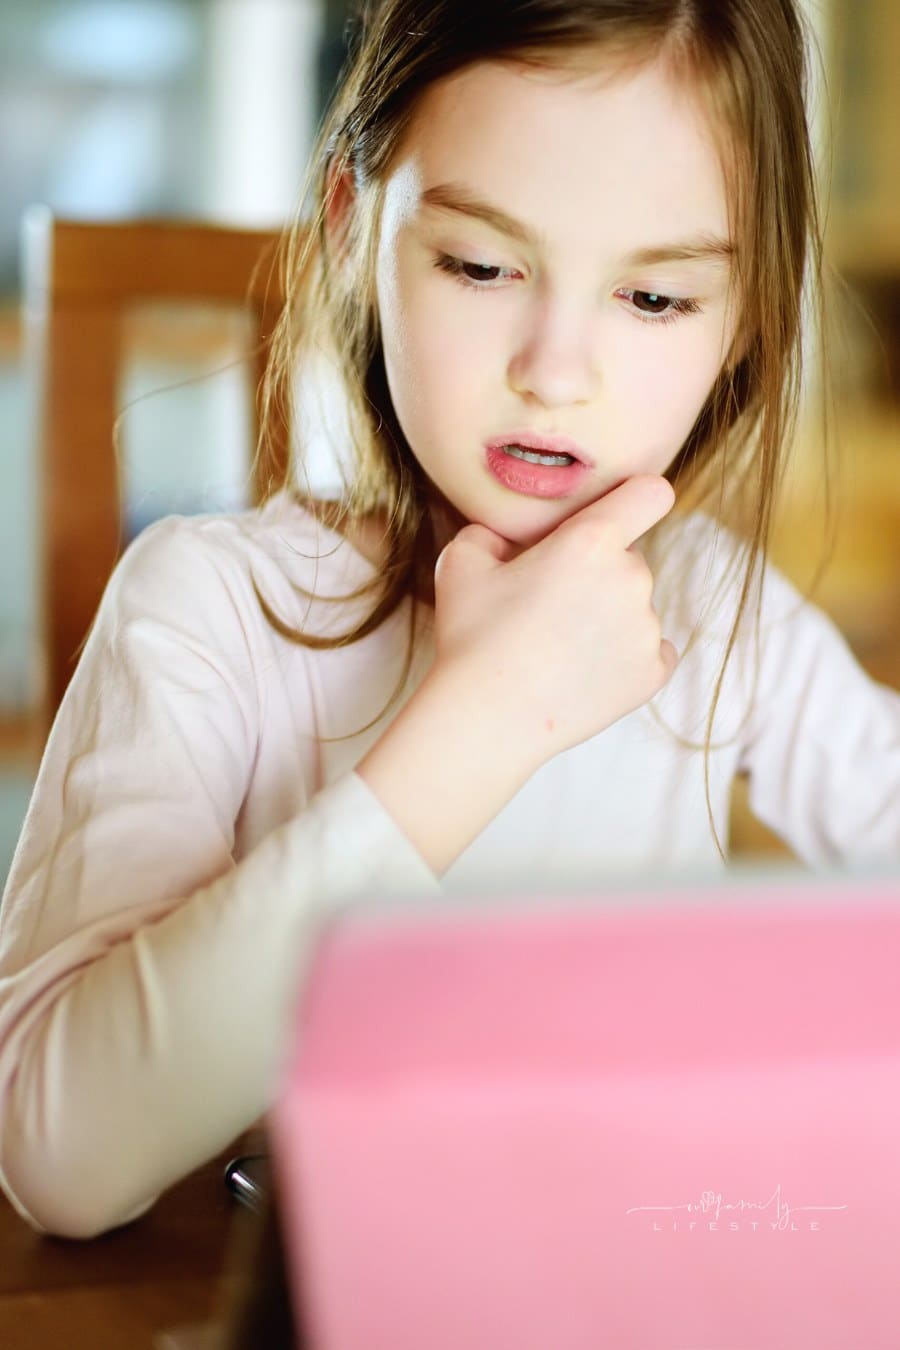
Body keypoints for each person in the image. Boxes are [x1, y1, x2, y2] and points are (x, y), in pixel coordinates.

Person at [0, 0, 898, 1241]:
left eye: (654, 300)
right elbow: (63, 1157)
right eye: (482, 266)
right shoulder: (208, 610)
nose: (556, 369)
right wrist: (481, 720)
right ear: (353, 226)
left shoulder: (717, 611)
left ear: (741, 322)